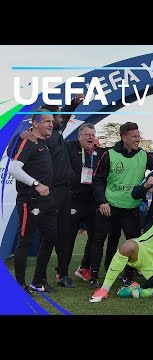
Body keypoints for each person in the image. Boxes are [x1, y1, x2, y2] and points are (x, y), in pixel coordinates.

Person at [20, 95, 84, 287]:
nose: (61, 118)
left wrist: (73, 103)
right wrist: (23, 134)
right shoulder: (37, 136)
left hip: (65, 192)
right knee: (49, 237)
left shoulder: (57, 132)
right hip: (50, 192)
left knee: (62, 234)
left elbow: (65, 113)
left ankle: (61, 275)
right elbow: (18, 150)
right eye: (55, 116)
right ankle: (38, 279)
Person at [89, 122, 153, 288]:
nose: (138, 139)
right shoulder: (109, 154)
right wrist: (102, 202)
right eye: (134, 136)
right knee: (99, 240)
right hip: (109, 207)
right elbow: (98, 180)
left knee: (133, 243)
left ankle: (128, 276)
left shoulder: (143, 155)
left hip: (131, 208)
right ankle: (93, 276)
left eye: (138, 135)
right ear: (124, 138)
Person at [7, 109, 57, 293]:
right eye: (46, 121)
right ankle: (20, 285)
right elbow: (13, 168)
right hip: (30, 200)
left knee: (51, 236)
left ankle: (38, 281)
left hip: (48, 200)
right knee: (25, 241)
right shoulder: (27, 140)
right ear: (35, 123)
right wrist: (36, 184)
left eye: (52, 121)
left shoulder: (43, 142)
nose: (51, 124)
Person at [65, 123, 104, 284]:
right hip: (73, 198)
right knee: (68, 237)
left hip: (92, 200)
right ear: (79, 136)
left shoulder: (98, 153)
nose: (90, 137)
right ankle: (62, 272)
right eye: (87, 134)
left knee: (95, 236)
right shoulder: (70, 147)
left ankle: (84, 268)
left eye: (92, 134)